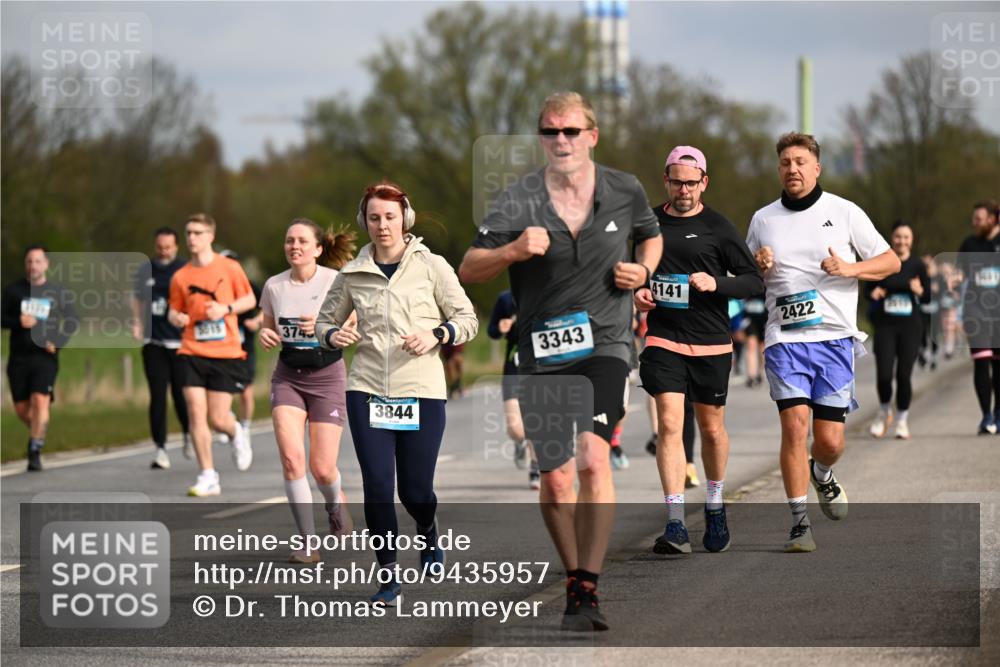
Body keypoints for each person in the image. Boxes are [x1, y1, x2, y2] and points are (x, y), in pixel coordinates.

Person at [459, 92, 663, 632]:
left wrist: (643, 271)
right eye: (551, 131)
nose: (561, 140)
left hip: (605, 345)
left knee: (594, 459)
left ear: (591, 136)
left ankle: (587, 585)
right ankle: (573, 573)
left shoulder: (624, 189)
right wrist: (511, 251)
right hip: (542, 355)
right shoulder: (517, 199)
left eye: (571, 130)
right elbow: (469, 268)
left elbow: (651, 237)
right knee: (555, 481)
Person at [316, 182, 478, 605]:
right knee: (376, 485)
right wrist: (334, 335)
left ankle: (427, 528)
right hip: (367, 388)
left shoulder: (432, 266)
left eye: (389, 216)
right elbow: (323, 323)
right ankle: (388, 575)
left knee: (415, 492)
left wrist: (437, 334)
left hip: (421, 390)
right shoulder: (352, 273)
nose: (382, 225)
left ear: (405, 218)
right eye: (374, 217)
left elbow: (467, 318)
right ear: (364, 221)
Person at [747, 132, 899, 553]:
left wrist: (850, 269)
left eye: (800, 162)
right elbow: (746, 274)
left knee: (829, 441)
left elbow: (890, 261)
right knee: (794, 428)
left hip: (833, 340)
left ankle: (822, 473)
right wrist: (758, 264)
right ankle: (799, 523)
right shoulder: (763, 220)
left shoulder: (844, 211)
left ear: (816, 168)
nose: (792, 169)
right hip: (784, 339)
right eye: (785, 163)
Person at [634, 145, 764, 556]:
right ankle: (675, 522)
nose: (684, 190)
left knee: (711, 429)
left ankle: (714, 503)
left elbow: (753, 281)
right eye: (677, 182)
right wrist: (637, 292)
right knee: (670, 424)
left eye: (692, 183)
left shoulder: (718, 227)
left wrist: (716, 283)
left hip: (710, 342)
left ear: (704, 183)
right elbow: (628, 270)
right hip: (663, 338)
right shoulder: (647, 223)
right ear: (666, 181)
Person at [259, 219, 357, 563]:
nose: (294, 246)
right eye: (289, 241)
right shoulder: (274, 286)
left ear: (318, 249)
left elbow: (354, 323)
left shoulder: (335, 281)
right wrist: (265, 334)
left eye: (302, 241)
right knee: (291, 460)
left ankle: (335, 503)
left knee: (323, 468)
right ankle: (307, 543)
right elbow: (267, 328)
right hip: (288, 377)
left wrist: (322, 325)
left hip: (327, 378)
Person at [168, 213, 257, 496]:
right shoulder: (180, 276)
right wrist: (176, 318)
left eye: (198, 232)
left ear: (211, 236)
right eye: (189, 233)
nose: (192, 238)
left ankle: (235, 432)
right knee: (196, 412)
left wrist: (225, 309)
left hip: (225, 352)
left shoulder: (229, 267)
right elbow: (173, 309)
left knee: (218, 419)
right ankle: (208, 475)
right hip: (191, 349)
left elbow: (249, 300)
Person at [2, 245, 78, 471]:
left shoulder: (57, 292)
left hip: (44, 356)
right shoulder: (13, 291)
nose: (32, 266)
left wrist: (58, 341)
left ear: (46, 264)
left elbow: (72, 320)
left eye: (37, 261)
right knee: (22, 410)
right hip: (19, 358)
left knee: (40, 400)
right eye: (29, 261)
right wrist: (18, 321)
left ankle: (34, 450)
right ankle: (39, 429)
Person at [132, 227, 191, 470]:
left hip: (180, 344)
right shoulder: (145, 270)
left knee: (181, 395)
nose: (163, 251)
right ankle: (160, 449)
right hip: (153, 342)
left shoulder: (186, 269)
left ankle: (189, 433)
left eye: (168, 247)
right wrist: (137, 322)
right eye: (160, 247)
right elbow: (137, 298)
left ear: (176, 246)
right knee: (157, 396)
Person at [866, 221, 930, 440]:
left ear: (911, 240)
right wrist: (873, 294)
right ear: (891, 238)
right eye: (898, 237)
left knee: (904, 375)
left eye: (906, 237)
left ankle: (902, 420)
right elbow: (868, 289)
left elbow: (928, 297)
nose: (902, 241)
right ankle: (884, 410)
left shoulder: (917, 265)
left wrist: (919, 290)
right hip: (885, 325)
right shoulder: (882, 261)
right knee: (884, 375)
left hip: (910, 327)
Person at [487, 289, 540, 490]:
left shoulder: (546, 293)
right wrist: (500, 328)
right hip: (513, 367)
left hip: (540, 366)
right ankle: (520, 442)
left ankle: (536, 467)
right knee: (515, 427)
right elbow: (492, 331)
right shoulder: (505, 299)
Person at [956, 200, 1000, 434]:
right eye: (974, 219)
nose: (975, 223)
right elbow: (960, 275)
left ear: (993, 219)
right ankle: (986, 416)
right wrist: (955, 281)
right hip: (976, 310)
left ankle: (999, 412)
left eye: (979, 219)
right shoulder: (969, 244)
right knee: (981, 361)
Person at [220, 249, 263, 445]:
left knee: (245, 390)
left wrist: (257, 321)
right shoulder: (215, 287)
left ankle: (244, 427)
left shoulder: (249, 285)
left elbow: (267, 307)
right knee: (222, 388)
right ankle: (226, 420)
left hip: (245, 346)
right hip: (221, 347)